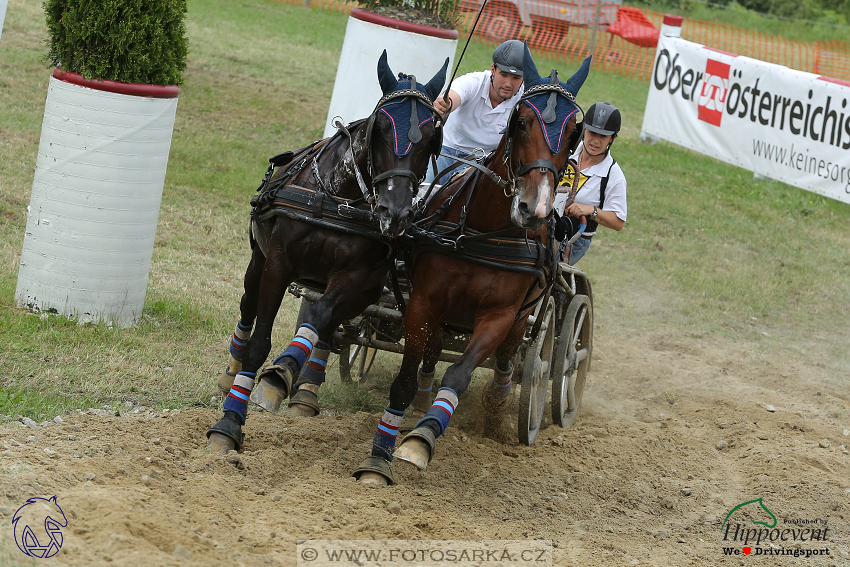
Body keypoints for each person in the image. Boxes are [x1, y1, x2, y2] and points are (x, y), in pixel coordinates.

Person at [424, 39, 526, 185]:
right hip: (446, 150)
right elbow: (454, 96)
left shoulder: (525, 101)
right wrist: (445, 105)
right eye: (503, 74)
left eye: (516, 78)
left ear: (523, 78)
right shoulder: (473, 81)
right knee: (422, 195)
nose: (508, 84)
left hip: (483, 163)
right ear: (493, 70)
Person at [554, 101, 627, 265]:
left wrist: (591, 210)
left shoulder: (613, 175)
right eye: (592, 133)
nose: (595, 140)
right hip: (543, 223)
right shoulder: (565, 149)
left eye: (603, 136)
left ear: (611, 139)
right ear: (584, 129)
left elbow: (618, 222)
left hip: (574, 238)